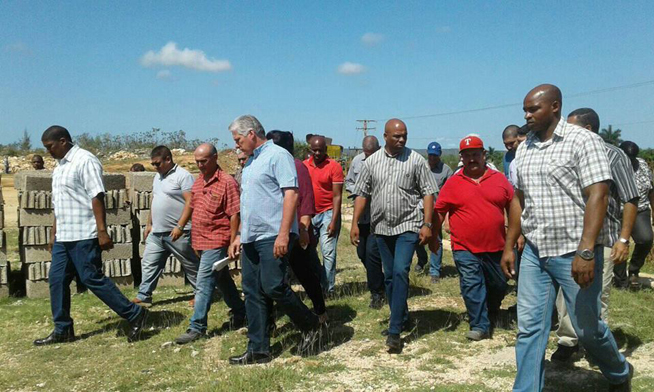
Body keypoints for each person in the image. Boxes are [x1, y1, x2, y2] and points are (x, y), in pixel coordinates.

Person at [501, 84, 633, 391]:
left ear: (555, 107)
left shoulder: (583, 141)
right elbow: (518, 200)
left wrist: (586, 251)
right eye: (525, 110)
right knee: (530, 328)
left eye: (533, 109)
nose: (527, 115)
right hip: (535, 252)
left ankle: (617, 372)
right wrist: (510, 245)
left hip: (574, 250)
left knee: (588, 329)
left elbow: (598, 195)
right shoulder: (525, 148)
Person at [34, 126, 147, 345]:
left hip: (83, 233)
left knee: (91, 277)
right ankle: (63, 328)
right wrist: (53, 234)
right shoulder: (59, 167)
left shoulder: (85, 160)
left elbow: (97, 196)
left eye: (50, 147)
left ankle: (135, 314)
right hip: (63, 236)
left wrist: (102, 231)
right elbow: (59, 205)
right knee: (57, 280)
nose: (48, 152)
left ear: (63, 141)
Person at [228, 115, 322, 365]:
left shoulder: (278, 156)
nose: (236, 145)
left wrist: (284, 233)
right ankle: (258, 349)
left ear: (251, 134)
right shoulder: (250, 163)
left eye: (238, 139)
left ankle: (311, 325)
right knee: (253, 291)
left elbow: (290, 195)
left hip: (272, 234)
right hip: (251, 237)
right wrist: (239, 234)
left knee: (273, 286)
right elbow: (249, 203)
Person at [552, 108, 639, 361]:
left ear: (588, 129)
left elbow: (630, 198)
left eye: (572, 127)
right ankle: (568, 342)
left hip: (604, 238)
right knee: (566, 295)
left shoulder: (614, 156)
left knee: (597, 295)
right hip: (570, 238)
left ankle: (597, 345)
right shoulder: (566, 153)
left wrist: (624, 239)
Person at [350, 118, 438, 353]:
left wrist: (427, 224)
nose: (401, 140)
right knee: (389, 276)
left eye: (404, 136)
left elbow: (429, 193)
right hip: (381, 228)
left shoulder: (416, 160)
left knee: (400, 271)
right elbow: (362, 194)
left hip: (408, 226)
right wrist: (355, 223)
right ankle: (403, 313)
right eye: (396, 136)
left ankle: (395, 330)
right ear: (386, 136)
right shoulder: (372, 162)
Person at [432, 136, 512, 340]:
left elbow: (513, 208)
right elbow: (440, 211)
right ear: (461, 158)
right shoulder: (453, 183)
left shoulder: (499, 179)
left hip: (497, 246)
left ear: (484, 155)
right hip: (464, 246)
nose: (472, 159)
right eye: (467, 155)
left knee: (498, 285)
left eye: (475, 154)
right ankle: (479, 325)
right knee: (471, 284)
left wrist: (515, 235)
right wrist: (434, 235)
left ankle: (492, 311)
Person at [174, 143, 247, 344]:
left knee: (204, 282)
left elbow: (234, 214)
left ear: (215, 158)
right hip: (201, 241)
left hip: (217, 240)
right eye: (197, 161)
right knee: (222, 280)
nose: (200, 165)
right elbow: (194, 208)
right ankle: (241, 312)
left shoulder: (227, 182)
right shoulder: (198, 182)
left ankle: (196, 327)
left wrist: (233, 241)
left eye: (204, 161)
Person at [267, 130, 327, 321]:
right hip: (274, 231)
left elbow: (305, 200)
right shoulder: (269, 165)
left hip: (296, 231)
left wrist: (303, 229)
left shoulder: (296, 167)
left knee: (304, 273)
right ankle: (268, 321)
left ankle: (319, 311)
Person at [132, 146, 200, 306]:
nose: (155, 167)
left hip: (178, 233)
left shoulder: (183, 176)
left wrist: (180, 226)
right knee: (149, 263)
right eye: (153, 164)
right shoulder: (158, 177)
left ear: (168, 159)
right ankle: (144, 296)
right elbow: (155, 200)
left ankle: (201, 294)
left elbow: (191, 202)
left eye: (158, 164)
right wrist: (149, 224)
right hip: (157, 232)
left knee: (190, 265)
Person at [344, 135, 384, 308]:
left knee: (372, 253)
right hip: (362, 216)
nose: (368, 157)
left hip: (379, 217)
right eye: (366, 153)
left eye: (371, 153)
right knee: (362, 253)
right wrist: (359, 191)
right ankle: (379, 280)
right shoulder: (357, 161)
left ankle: (377, 292)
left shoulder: (385, 162)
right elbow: (349, 181)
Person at [304, 135, 344, 295]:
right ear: (310, 150)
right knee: (308, 251)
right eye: (315, 150)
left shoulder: (334, 167)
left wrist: (334, 220)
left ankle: (328, 289)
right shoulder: (304, 166)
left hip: (328, 212)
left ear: (326, 150)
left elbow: (337, 196)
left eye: (321, 150)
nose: (318, 153)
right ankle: (319, 280)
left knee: (328, 253)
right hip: (310, 214)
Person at [614, 141, 653, 290]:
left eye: (633, 159)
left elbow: (651, 189)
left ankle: (634, 271)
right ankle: (621, 281)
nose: (630, 162)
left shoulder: (642, 165)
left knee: (646, 239)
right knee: (619, 243)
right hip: (617, 212)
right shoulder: (611, 164)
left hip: (640, 209)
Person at [415, 141, 453, 283]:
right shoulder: (420, 166)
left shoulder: (446, 170)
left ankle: (435, 271)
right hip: (419, 208)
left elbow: (450, 192)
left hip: (437, 210)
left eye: (435, 156)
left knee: (436, 238)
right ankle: (422, 259)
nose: (432, 158)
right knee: (415, 238)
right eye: (430, 155)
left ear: (440, 155)